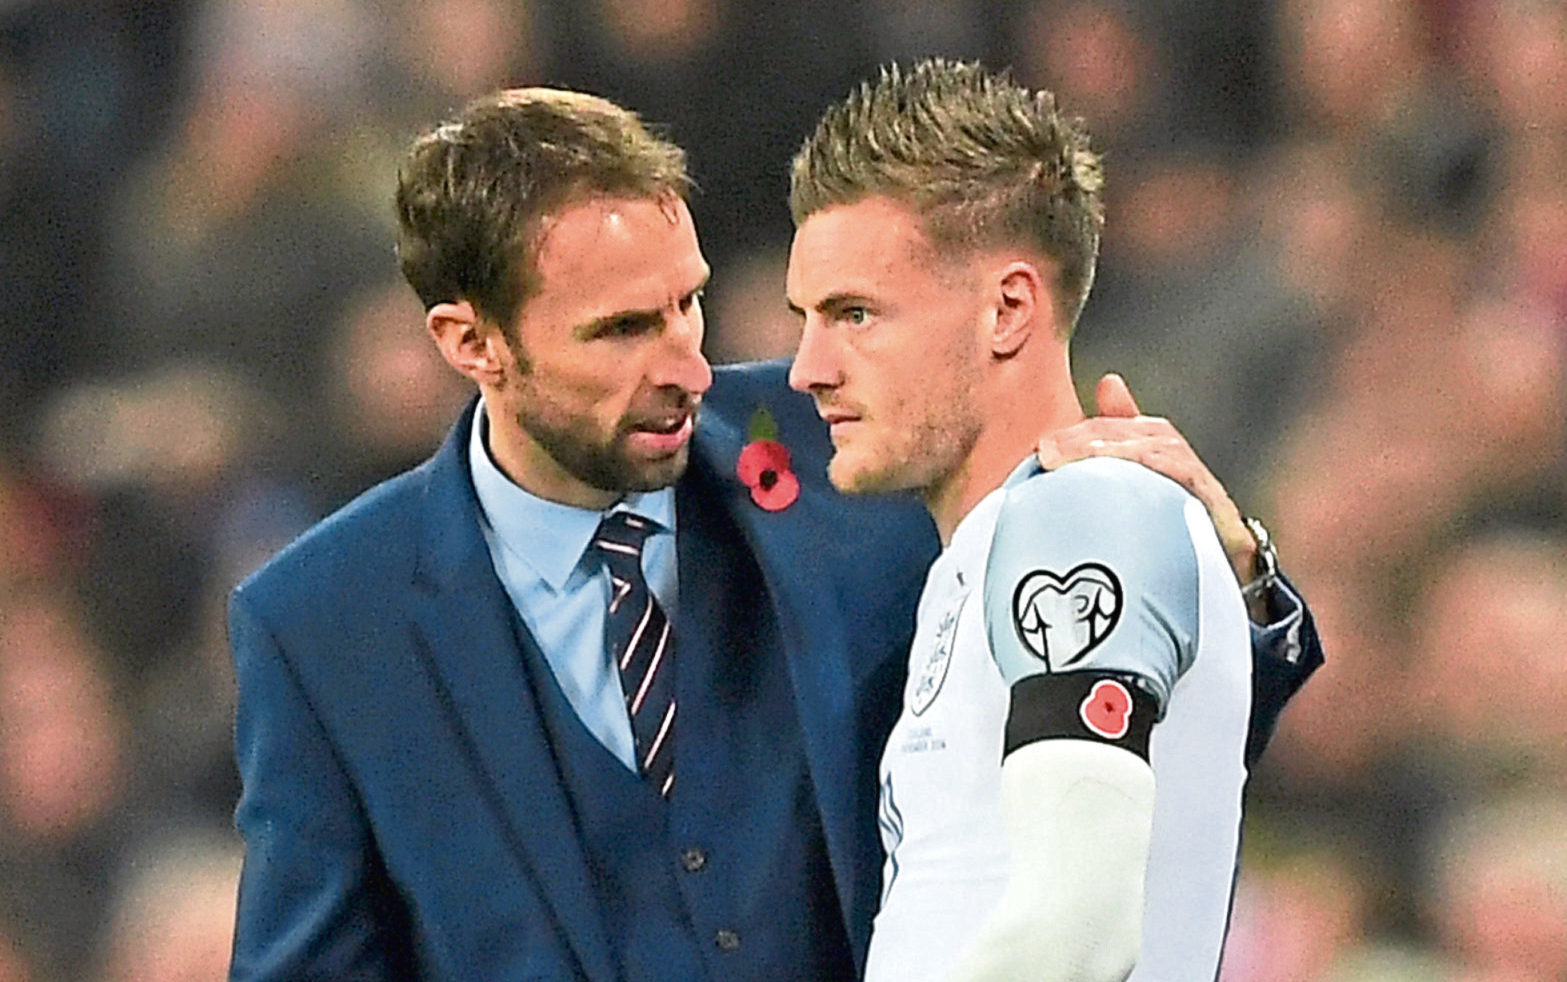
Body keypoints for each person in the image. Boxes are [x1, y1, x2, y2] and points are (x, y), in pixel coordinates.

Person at [227, 87, 1320, 981]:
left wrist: (1238, 587)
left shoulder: (854, 437)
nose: (688, 367)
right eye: (620, 330)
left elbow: (1120, 742)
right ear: (472, 342)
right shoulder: (325, 624)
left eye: (686, 304)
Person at [785, 60, 1298, 982]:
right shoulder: (989, 550)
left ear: (1007, 309)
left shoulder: (1083, 511)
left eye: (854, 313)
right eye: (807, 319)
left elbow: (1078, 932)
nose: (807, 368)